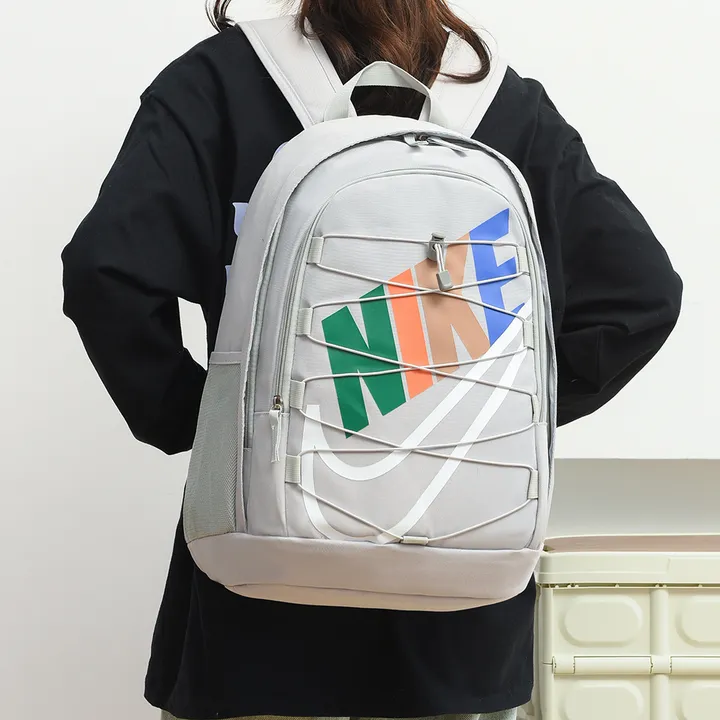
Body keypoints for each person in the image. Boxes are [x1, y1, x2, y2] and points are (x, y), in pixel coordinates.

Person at [61, 1, 683, 719]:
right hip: (460, 605)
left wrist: (209, 426)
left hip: (260, 595)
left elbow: (107, 275)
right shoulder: (505, 106)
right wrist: (495, 414)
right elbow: (642, 296)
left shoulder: (222, 81)